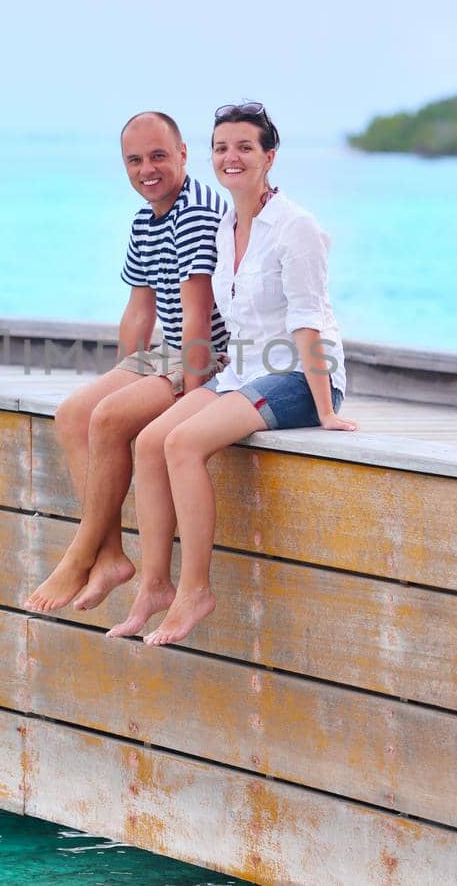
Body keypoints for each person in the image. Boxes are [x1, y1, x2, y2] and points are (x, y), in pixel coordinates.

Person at [107, 102, 357, 645]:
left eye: (244, 147)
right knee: (151, 441)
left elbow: (307, 321)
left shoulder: (296, 228)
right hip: (242, 371)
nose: (231, 157)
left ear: (269, 156)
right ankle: (154, 586)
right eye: (222, 147)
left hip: (297, 376)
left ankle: (196, 590)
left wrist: (327, 408)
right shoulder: (225, 225)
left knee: (184, 444)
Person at [22, 111, 229, 614]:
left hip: (212, 354)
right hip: (167, 351)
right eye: (134, 160)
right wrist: (123, 383)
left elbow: (198, 314)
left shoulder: (197, 210)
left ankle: (79, 555)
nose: (146, 170)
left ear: (183, 153)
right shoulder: (145, 220)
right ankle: (111, 555)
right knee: (75, 413)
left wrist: (191, 394)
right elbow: (140, 311)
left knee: (110, 418)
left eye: (158, 156)